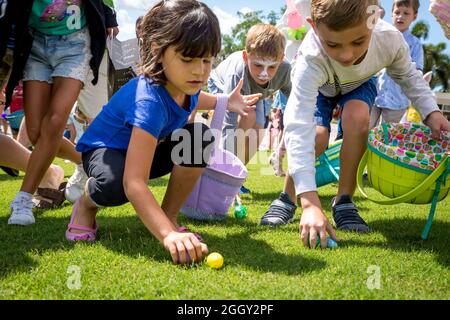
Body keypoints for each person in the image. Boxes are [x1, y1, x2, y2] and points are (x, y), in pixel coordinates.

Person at [65, 0, 260, 265]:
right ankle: (86, 206)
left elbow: (197, 98)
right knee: (116, 185)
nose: (199, 70)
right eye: (188, 59)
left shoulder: (184, 84)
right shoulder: (149, 100)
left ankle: (168, 215)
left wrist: (225, 102)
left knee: (197, 137)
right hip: (105, 153)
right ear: (158, 50)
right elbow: (134, 183)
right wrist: (168, 237)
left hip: (144, 152)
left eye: (206, 59)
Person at [260, 0, 450, 249]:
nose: (346, 55)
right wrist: (310, 203)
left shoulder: (389, 39)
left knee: (359, 118)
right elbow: (297, 124)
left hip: (360, 84)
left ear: (374, 19)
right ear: (314, 27)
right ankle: (288, 198)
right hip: (321, 89)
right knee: (316, 136)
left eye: (358, 41)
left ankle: (344, 201)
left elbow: (409, 77)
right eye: (333, 44)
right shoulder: (309, 58)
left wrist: (431, 112)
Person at [2, 0, 118, 225]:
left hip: (75, 46)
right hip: (35, 45)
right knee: (36, 133)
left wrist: (109, 16)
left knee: (55, 121)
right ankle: (84, 160)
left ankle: (23, 198)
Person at [208, 23, 292, 193]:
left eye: (271, 67)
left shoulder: (285, 70)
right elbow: (229, 125)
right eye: (258, 65)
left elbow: (294, 101)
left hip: (256, 93)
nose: (264, 74)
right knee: (246, 118)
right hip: (222, 86)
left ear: (281, 59)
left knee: (259, 126)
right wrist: (223, 180)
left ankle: (237, 177)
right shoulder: (236, 73)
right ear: (246, 57)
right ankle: (222, 176)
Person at [371, 0, 423, 128]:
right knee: (365, 129)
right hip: (375, 93)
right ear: (391, 14)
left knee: (387, 134)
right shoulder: (382, 35)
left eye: (406, 13)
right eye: (397, 12)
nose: (400, 16)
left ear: (414, 16)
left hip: (398, 100)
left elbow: (417, 70)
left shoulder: (414, 44)